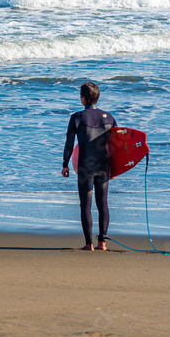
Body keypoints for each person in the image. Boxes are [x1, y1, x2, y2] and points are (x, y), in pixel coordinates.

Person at [62, 81, 116, 251]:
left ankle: (89, 244)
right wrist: (116, 168)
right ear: (98, 98)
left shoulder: (77, 117)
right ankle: (102, 243)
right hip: (104, 167)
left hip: (86, 167)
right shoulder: (109, 117)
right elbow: (118, 145)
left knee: (85, 205)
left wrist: (65, 164)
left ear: (83, 99)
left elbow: (69, 144)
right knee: (103, 204)